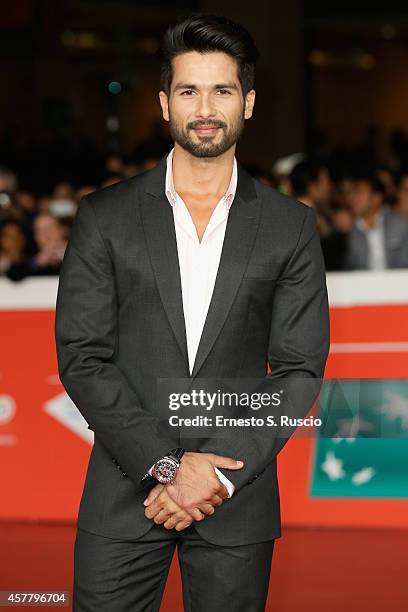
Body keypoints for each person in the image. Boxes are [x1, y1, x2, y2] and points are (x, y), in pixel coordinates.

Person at [55, 13, 330, 612]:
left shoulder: (290, 225)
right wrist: (166, 466)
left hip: (237, 495)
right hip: (125, 492)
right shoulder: (105, 217)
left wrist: (216, 474)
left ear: (248, 103)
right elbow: (82, 357)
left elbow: (298, 369)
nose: (205, 106)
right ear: (164, 103)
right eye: (189, 90)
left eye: (222, 89)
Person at [345, 172, 408, 270]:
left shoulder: (398, 224)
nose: (353, 198)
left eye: (359, 193)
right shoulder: (348, 228)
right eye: (352, 193)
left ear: (376, 198)